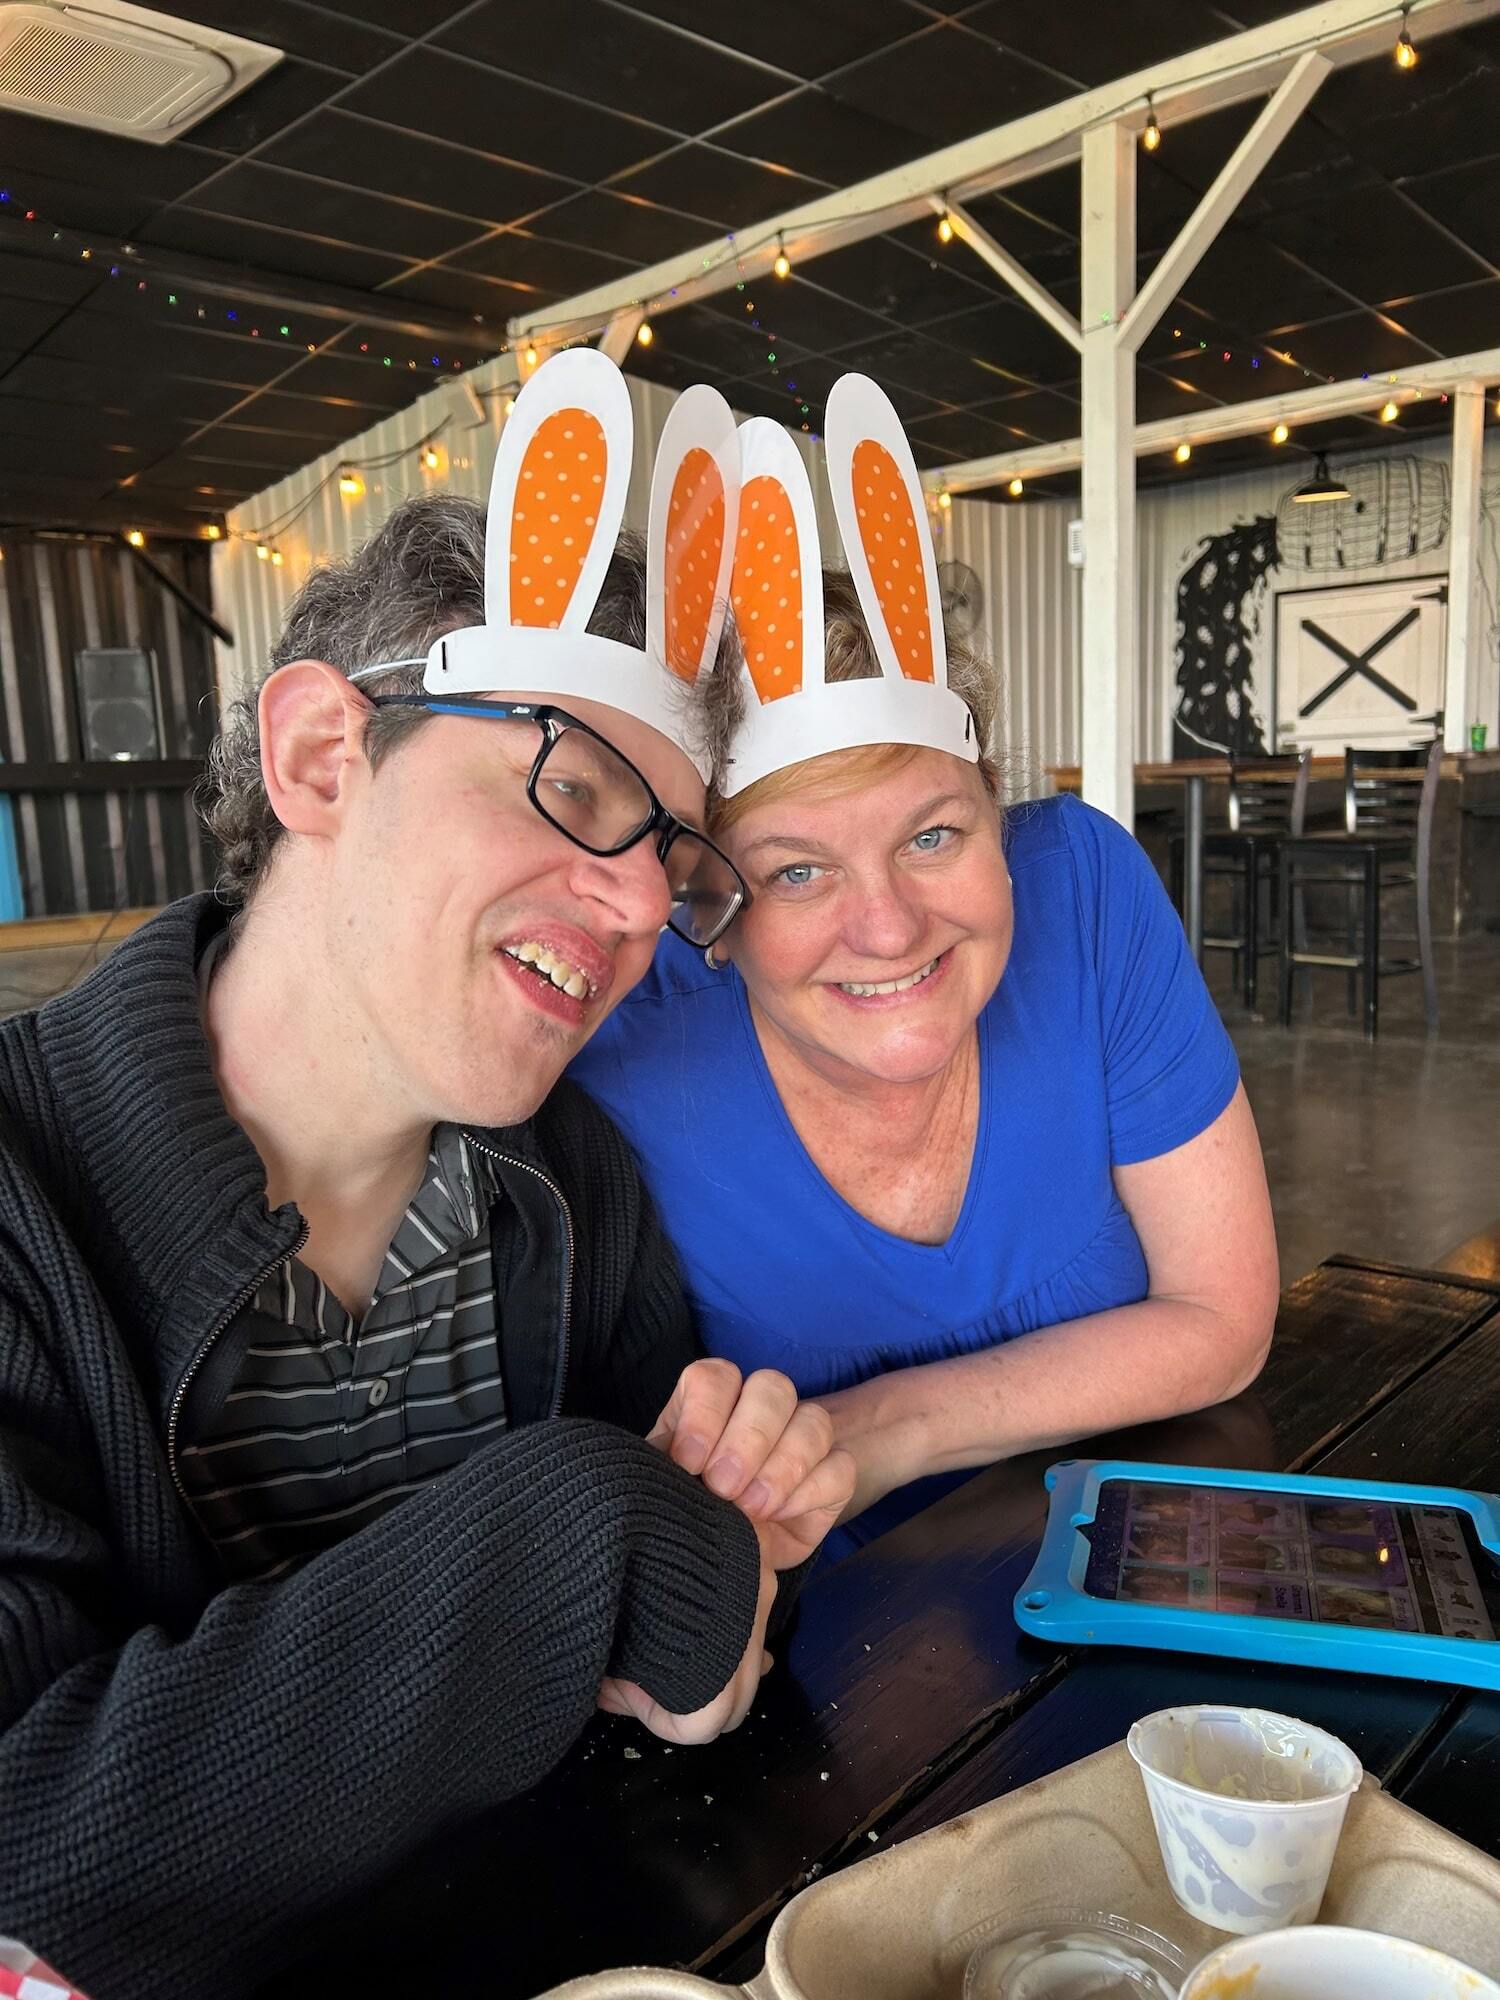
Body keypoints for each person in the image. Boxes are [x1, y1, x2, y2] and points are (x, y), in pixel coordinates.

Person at [0, 353, 852, 2000]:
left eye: (668, 855)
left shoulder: (574, 1188)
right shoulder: (23, 1192)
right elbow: (33, 1845)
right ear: (324, 758)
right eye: (573, 788)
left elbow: (718, 1618)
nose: (625, 913)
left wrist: (724, 1544)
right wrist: (587, 1524)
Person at [572, 375, 1279, 1562]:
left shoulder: (1087, 894)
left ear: (997, 812)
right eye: (796, 872)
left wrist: (879, 1431)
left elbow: (1224, 1317)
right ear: (711, 904)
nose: (890, 928)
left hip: (1148, 1561)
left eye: (933, 835)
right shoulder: (625, 1039)